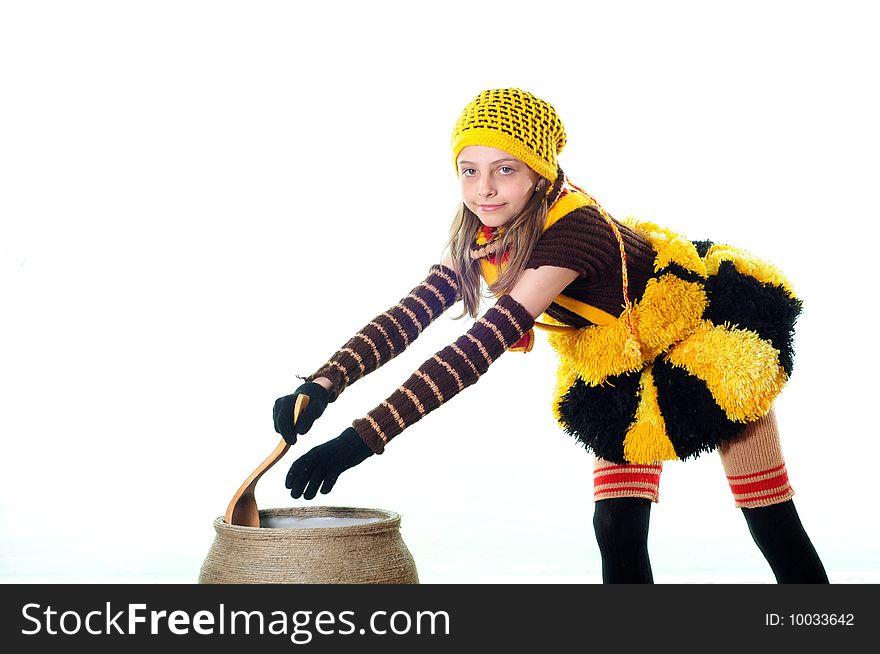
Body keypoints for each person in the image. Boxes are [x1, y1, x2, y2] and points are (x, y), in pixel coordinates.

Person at [271, 88, 828, 584]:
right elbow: (410, 316)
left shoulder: (571, 232)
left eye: (505, 170)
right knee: (616, 526)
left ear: (539, 172)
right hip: (622, 363)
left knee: (768, 513)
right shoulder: (484, 231)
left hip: (703, 346)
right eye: (468, 169)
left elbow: (477, 348)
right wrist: (323, 384)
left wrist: (360, 440)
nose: (483, 189)